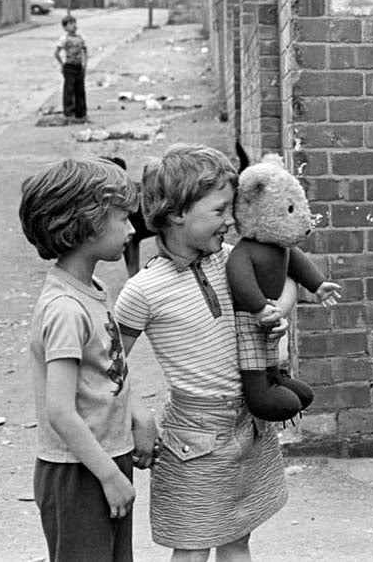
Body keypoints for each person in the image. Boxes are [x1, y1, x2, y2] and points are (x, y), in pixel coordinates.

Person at [113, 144, 288, 561]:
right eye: (219, 211)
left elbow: (280, 288)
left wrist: (276, 315)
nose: (231, 221)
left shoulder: (232, 261)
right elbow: (109, 361)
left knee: (238, 538)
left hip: (249, 423)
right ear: (177, 213)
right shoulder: (143, 290)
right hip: (195, 435)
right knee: (192, 549)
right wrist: (137, 413)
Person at [20, 157, 158, 561]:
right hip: (78, 470)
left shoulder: (92, 289)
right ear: (87, 221)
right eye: (122, 219)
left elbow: (108, 367)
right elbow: (60, 412)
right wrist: (110, 476)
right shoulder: (64, 309)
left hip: (104, 457)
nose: (132, 230)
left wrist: (138, 415)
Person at [54, 14, 88, 123]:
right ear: (65, 27)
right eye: (70, 24)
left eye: (74, 23)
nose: (74, 26)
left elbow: (85, 50)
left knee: (80, 89)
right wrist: (62, 64)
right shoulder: (64, 39)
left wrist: (85, 64)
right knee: (69, 89)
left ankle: (81, 112)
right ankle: (69, 112)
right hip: (69, 66)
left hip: (79, 66)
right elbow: (56, 53)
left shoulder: (80, 38)